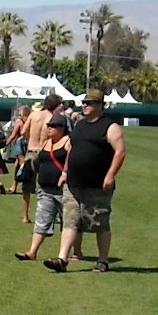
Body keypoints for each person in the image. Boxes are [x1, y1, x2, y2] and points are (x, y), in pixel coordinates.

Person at [44, 88, 124, 273]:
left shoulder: (110, 126)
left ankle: (103, 260)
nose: (84, 105)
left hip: (97, 184)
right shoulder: (79, 124)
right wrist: (65, 171)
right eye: (84, 102)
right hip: (73, 183)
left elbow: (120, 152)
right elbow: (72, 148)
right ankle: (62, 259)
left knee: (99, 222)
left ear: (99, 105)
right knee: (70, 220)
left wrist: (110, 175)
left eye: (89, 103)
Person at [15, 112, 71, 262]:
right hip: (46, 189)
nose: (49, 128)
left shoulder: (68, 141)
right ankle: (32, 252)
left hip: (64, 190)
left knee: (69, 222)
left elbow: (72, 161)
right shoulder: (46, 142)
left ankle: (74, 252)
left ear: (62, 128)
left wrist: (64, 174)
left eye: (53, 126)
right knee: (41, 220)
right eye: (49, 126)